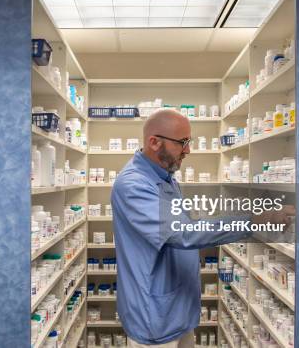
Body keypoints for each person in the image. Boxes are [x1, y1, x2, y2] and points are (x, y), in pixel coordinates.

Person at [111, 109, 270, 347]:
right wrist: (253, 220)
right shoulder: (133, 184)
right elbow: (183, 233)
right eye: (182, 143)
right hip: (155, 317)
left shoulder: (166, 178)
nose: (188, 151)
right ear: (154, 142)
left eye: (189, 142)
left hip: (178, 311)